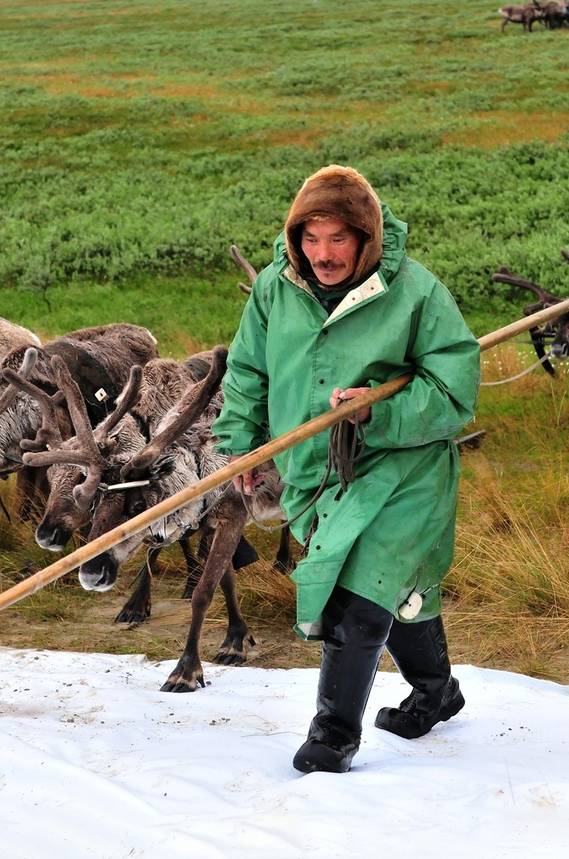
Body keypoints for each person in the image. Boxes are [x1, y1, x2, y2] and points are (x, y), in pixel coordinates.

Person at [212, 165, 480, 774]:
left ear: (366, 238)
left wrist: (370, 412)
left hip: (401, 466)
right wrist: (242, 450)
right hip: (314, 469)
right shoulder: (276, 289)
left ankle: (332, 737)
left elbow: (454, 390)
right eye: (310, 238)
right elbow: (250, 372)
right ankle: (437, 692)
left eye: (337, 239)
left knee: (354, 593)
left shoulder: (415, 292)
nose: (322, 255)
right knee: (395, 589)